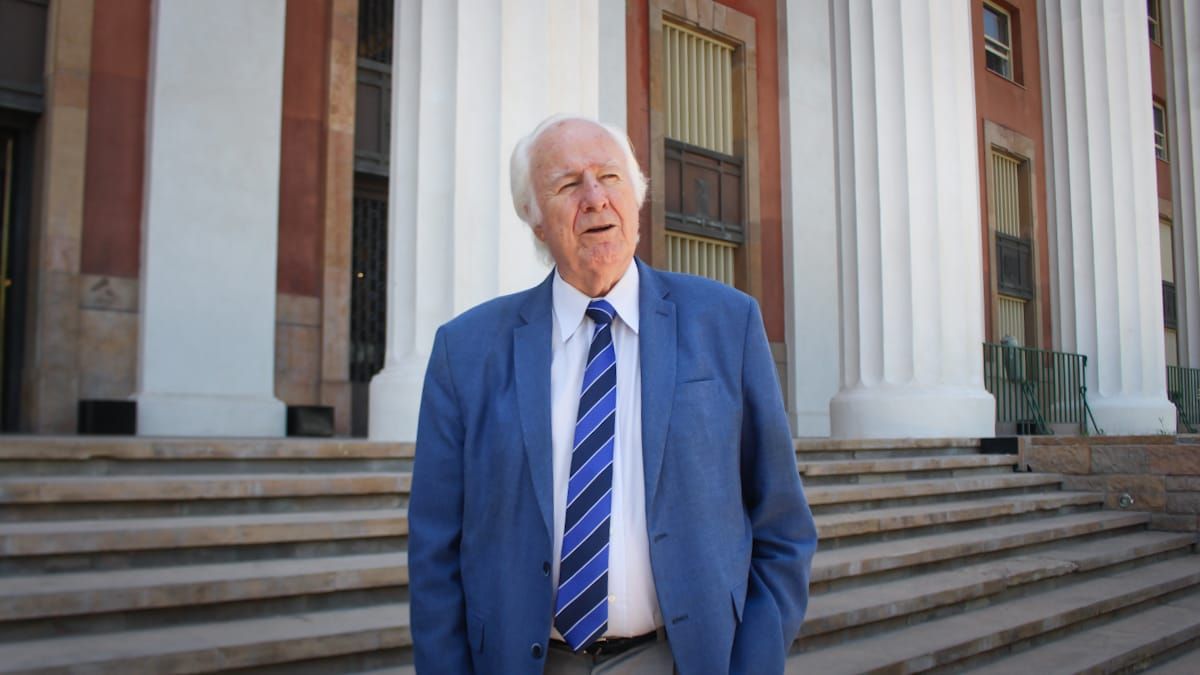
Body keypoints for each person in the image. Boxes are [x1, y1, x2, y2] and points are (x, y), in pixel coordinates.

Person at [409, 114, 817, 674]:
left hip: (679, 660)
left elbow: (782, 525)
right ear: (534, 219)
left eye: (610, 177)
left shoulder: (727, 323)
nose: (595, 198)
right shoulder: (466, 350)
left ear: (638, 198)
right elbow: (434, 551)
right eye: (568, 184)